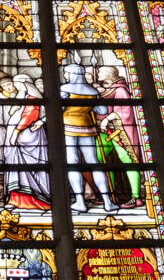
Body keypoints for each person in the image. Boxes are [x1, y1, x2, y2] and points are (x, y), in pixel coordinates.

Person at [60, 64, 119, 213]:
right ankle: (107, 202)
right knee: (94, 163)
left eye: (66, 74)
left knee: (72, 163)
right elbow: (102, 110)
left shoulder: (65, 89)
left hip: (68, 127)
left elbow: (58, 108)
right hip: (87, 127)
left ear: (71, 74)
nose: (65, 76)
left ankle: (80, 202)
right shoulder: (92, 91)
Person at [96, 65, 144, 207]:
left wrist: (106, 119)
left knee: (128, 161)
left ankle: (136, 197)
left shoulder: (121, 90)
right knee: (101, 160)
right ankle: (110, 194)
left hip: (120, 133)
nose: (98, 73)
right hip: (105, 132)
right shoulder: (107, 90)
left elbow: (124, 112)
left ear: (109, 75)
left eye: (100, 71)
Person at [4, 76, 51, 210]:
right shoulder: (25, 98)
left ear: (24, 84)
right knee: (17, 165)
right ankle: (16, 199)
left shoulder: (32, 99)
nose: (16, 87)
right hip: (22, 137)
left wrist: (16, 132)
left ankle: (31, 199)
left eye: (17, 84)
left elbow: (29, 116)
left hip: (26, 137)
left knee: (26, 166)